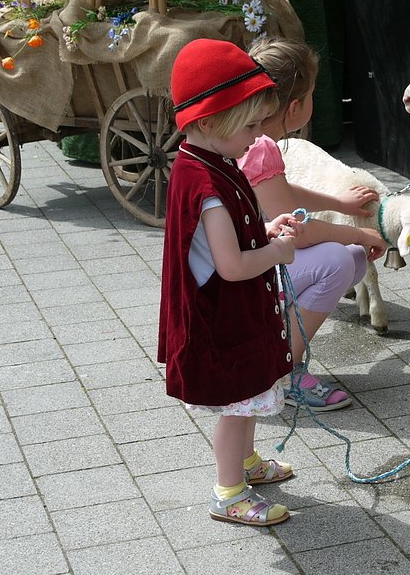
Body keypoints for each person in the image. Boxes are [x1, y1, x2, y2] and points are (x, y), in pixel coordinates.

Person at [159, 39, 304, 526]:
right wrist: (277, 252)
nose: (258, 135)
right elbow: (232, 266)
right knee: (238, 405)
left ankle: (245, 463)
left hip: (235, 312)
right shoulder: (207, 186)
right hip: (223, 319)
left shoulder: (207, 161)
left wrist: (262, 231)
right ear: (207, 121)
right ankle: (229, 491)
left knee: (250, 394)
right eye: (250, 125)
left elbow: (230, 243)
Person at [238, 37, 387, 412]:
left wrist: (339, 203)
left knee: (351, 258)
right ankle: (280, 370)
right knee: (339, 260)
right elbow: (298, 234)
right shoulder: (262, 146)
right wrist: (358, 230)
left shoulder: (249, 136)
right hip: (244, 278)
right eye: (313, 94)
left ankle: (280, 346)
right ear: (294, 107)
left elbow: (281, 192)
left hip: (245, 267)